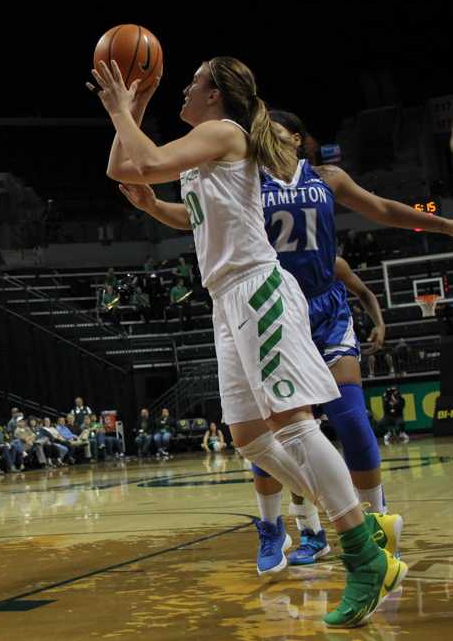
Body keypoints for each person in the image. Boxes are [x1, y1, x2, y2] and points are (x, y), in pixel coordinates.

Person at [95, 55, 404, 626]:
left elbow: (147, 159)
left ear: (215, 95)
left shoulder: (225, 132)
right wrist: (130, 111)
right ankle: (357, 520)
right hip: (225, 300)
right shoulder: (204, 146)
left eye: (192, 83)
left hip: (256, 287)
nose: (183, 90)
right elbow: (126, 171)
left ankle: (364, 555)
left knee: (294, 423)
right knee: (248, 438)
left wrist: (122, 111)